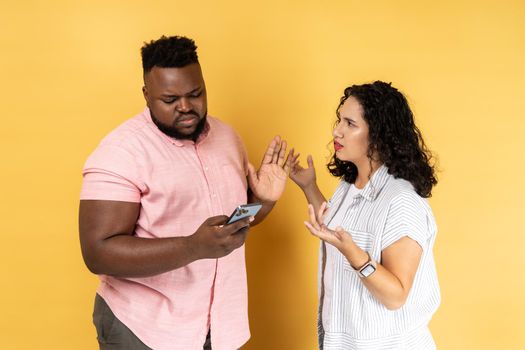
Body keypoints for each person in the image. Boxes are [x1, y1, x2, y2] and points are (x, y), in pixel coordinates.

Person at [79, 35, 294, 350]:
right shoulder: (121, 152)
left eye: (196, 94)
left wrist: (263, 201)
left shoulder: (228, 138)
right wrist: (193, 247)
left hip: (219, 329)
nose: (186, 107)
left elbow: (228, 229)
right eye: (170, 99)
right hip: (143, 329)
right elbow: (98, 253)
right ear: (147, 94)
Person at [289, 81, 440, 349]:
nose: (337, 131)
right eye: (339, 120)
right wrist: (308, 185)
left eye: (350, 123)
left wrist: (353, 254)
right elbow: (337, 232)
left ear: (379, 136)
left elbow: (396, 295)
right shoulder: (351, 185)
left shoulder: (401, 202)